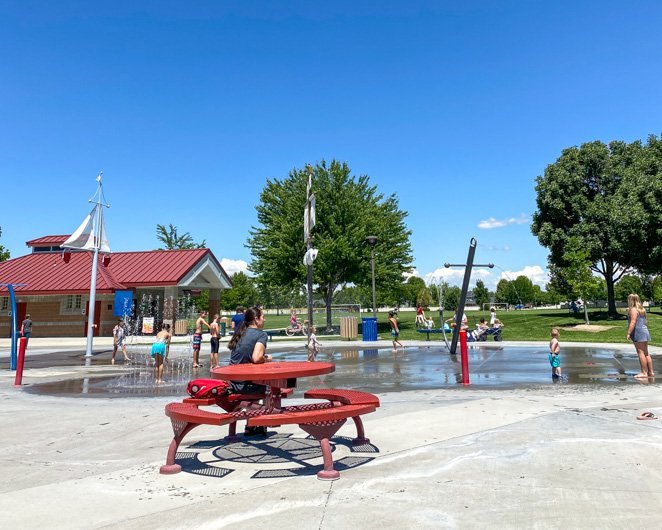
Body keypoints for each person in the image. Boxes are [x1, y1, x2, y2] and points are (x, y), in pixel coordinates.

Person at [227, 306, 272, 436]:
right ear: (256, 319)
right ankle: (260, 423)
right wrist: (267, 359)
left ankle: (251, 424)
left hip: (233, 383)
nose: (264, 319)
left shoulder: (240, 333)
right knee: (271, 388)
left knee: (257, 382)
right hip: (244, 385)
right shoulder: (261, 334)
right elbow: (257, 358)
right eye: (263, 317)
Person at [626, 293, 654, 379]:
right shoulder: (642, 309)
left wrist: (628, 333)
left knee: (640, 352)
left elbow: (633, 322)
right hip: (644, 331)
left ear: (631, 300)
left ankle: (644, 372)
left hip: (638, 332)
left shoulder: (633, 310)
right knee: (646, 352)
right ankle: (650, 372)